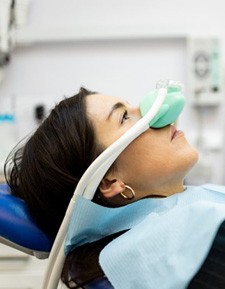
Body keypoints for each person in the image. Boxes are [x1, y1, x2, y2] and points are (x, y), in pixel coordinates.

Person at [4, 87, 225, 289]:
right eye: (124, 117)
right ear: (109, 181)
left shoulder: (192, 208)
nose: (154, 112)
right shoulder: (164, 252)